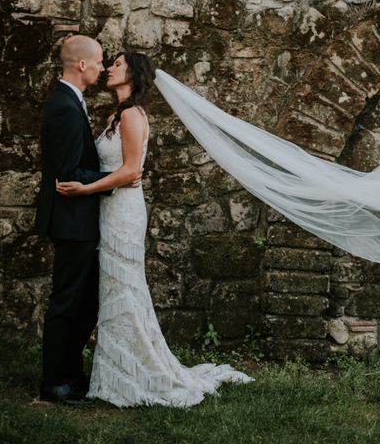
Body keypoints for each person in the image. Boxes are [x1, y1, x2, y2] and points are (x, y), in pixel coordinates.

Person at [55, 52, 253, 408]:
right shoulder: (116, 113)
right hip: (109, 208)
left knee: (124, 286)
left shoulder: (132, 115)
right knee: (114, 287)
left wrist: (85, 188)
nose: (110, 68)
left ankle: (136, 371)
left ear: (133, 73)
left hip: (123, 212)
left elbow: (131, 171)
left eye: (116, 63)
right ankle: (119, 369)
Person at [35, 35, 141, 405]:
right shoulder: (65, 105)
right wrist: (116, 181)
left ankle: (70, 372)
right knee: (66, 301)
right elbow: (68, 173)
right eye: (98, 62)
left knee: (84, 302)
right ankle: (53, 383)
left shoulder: (72, 101)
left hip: (81, 218)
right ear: (81, 65)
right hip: (71, 218)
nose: (102, 67)